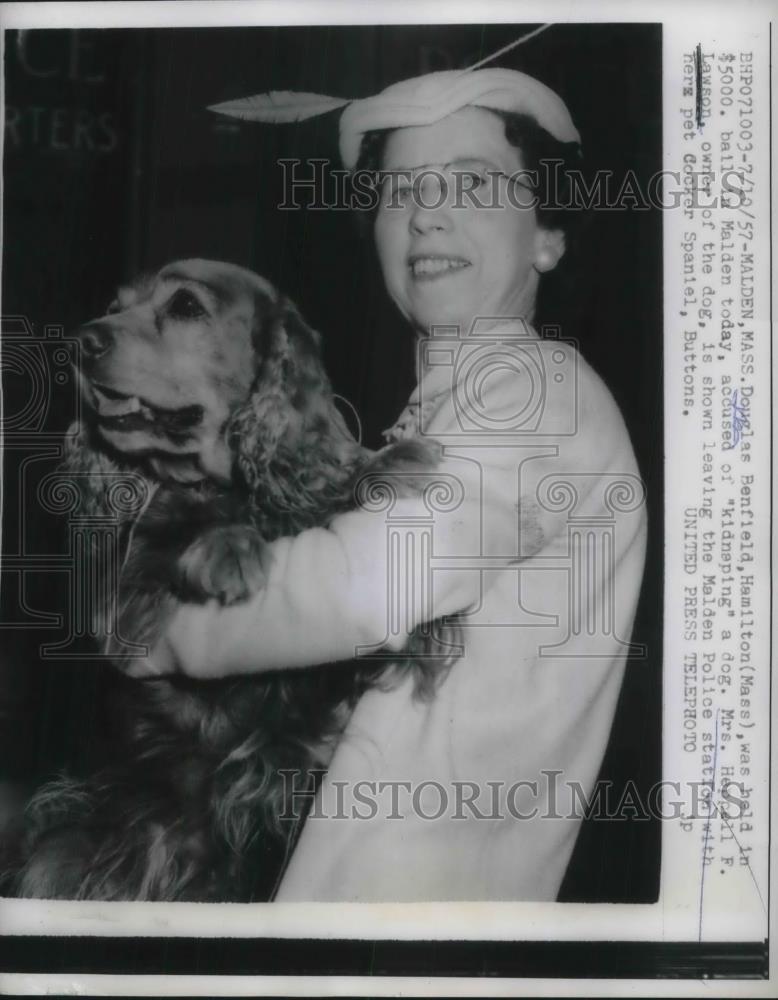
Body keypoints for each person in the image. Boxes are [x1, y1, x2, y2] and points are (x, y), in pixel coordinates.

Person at [138, 68, 648, 902]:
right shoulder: (454, 410)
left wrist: (168, 632)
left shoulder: (538, 390)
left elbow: (372, 585)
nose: (428, 212)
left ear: (547, 235)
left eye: (473, 183)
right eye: (401, 189)